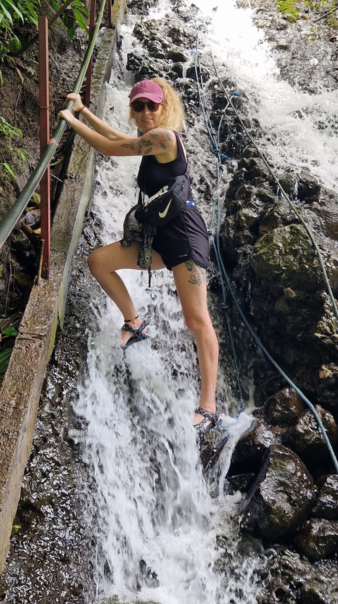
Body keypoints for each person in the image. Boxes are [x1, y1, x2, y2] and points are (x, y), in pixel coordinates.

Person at [58, 77, 220, 432]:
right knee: (99, 262)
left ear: (164, 108)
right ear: (132, 109)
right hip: (159, 235)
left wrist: (71, 122)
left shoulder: (166, 137)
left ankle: (208, 407)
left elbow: (111, 149)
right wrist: (84, 111)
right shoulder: (149, 140)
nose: (146, 112)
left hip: (185, 238)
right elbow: (120, 139)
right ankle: (135, 322)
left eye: (152, 105)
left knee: (196, 321)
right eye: (139, 106)